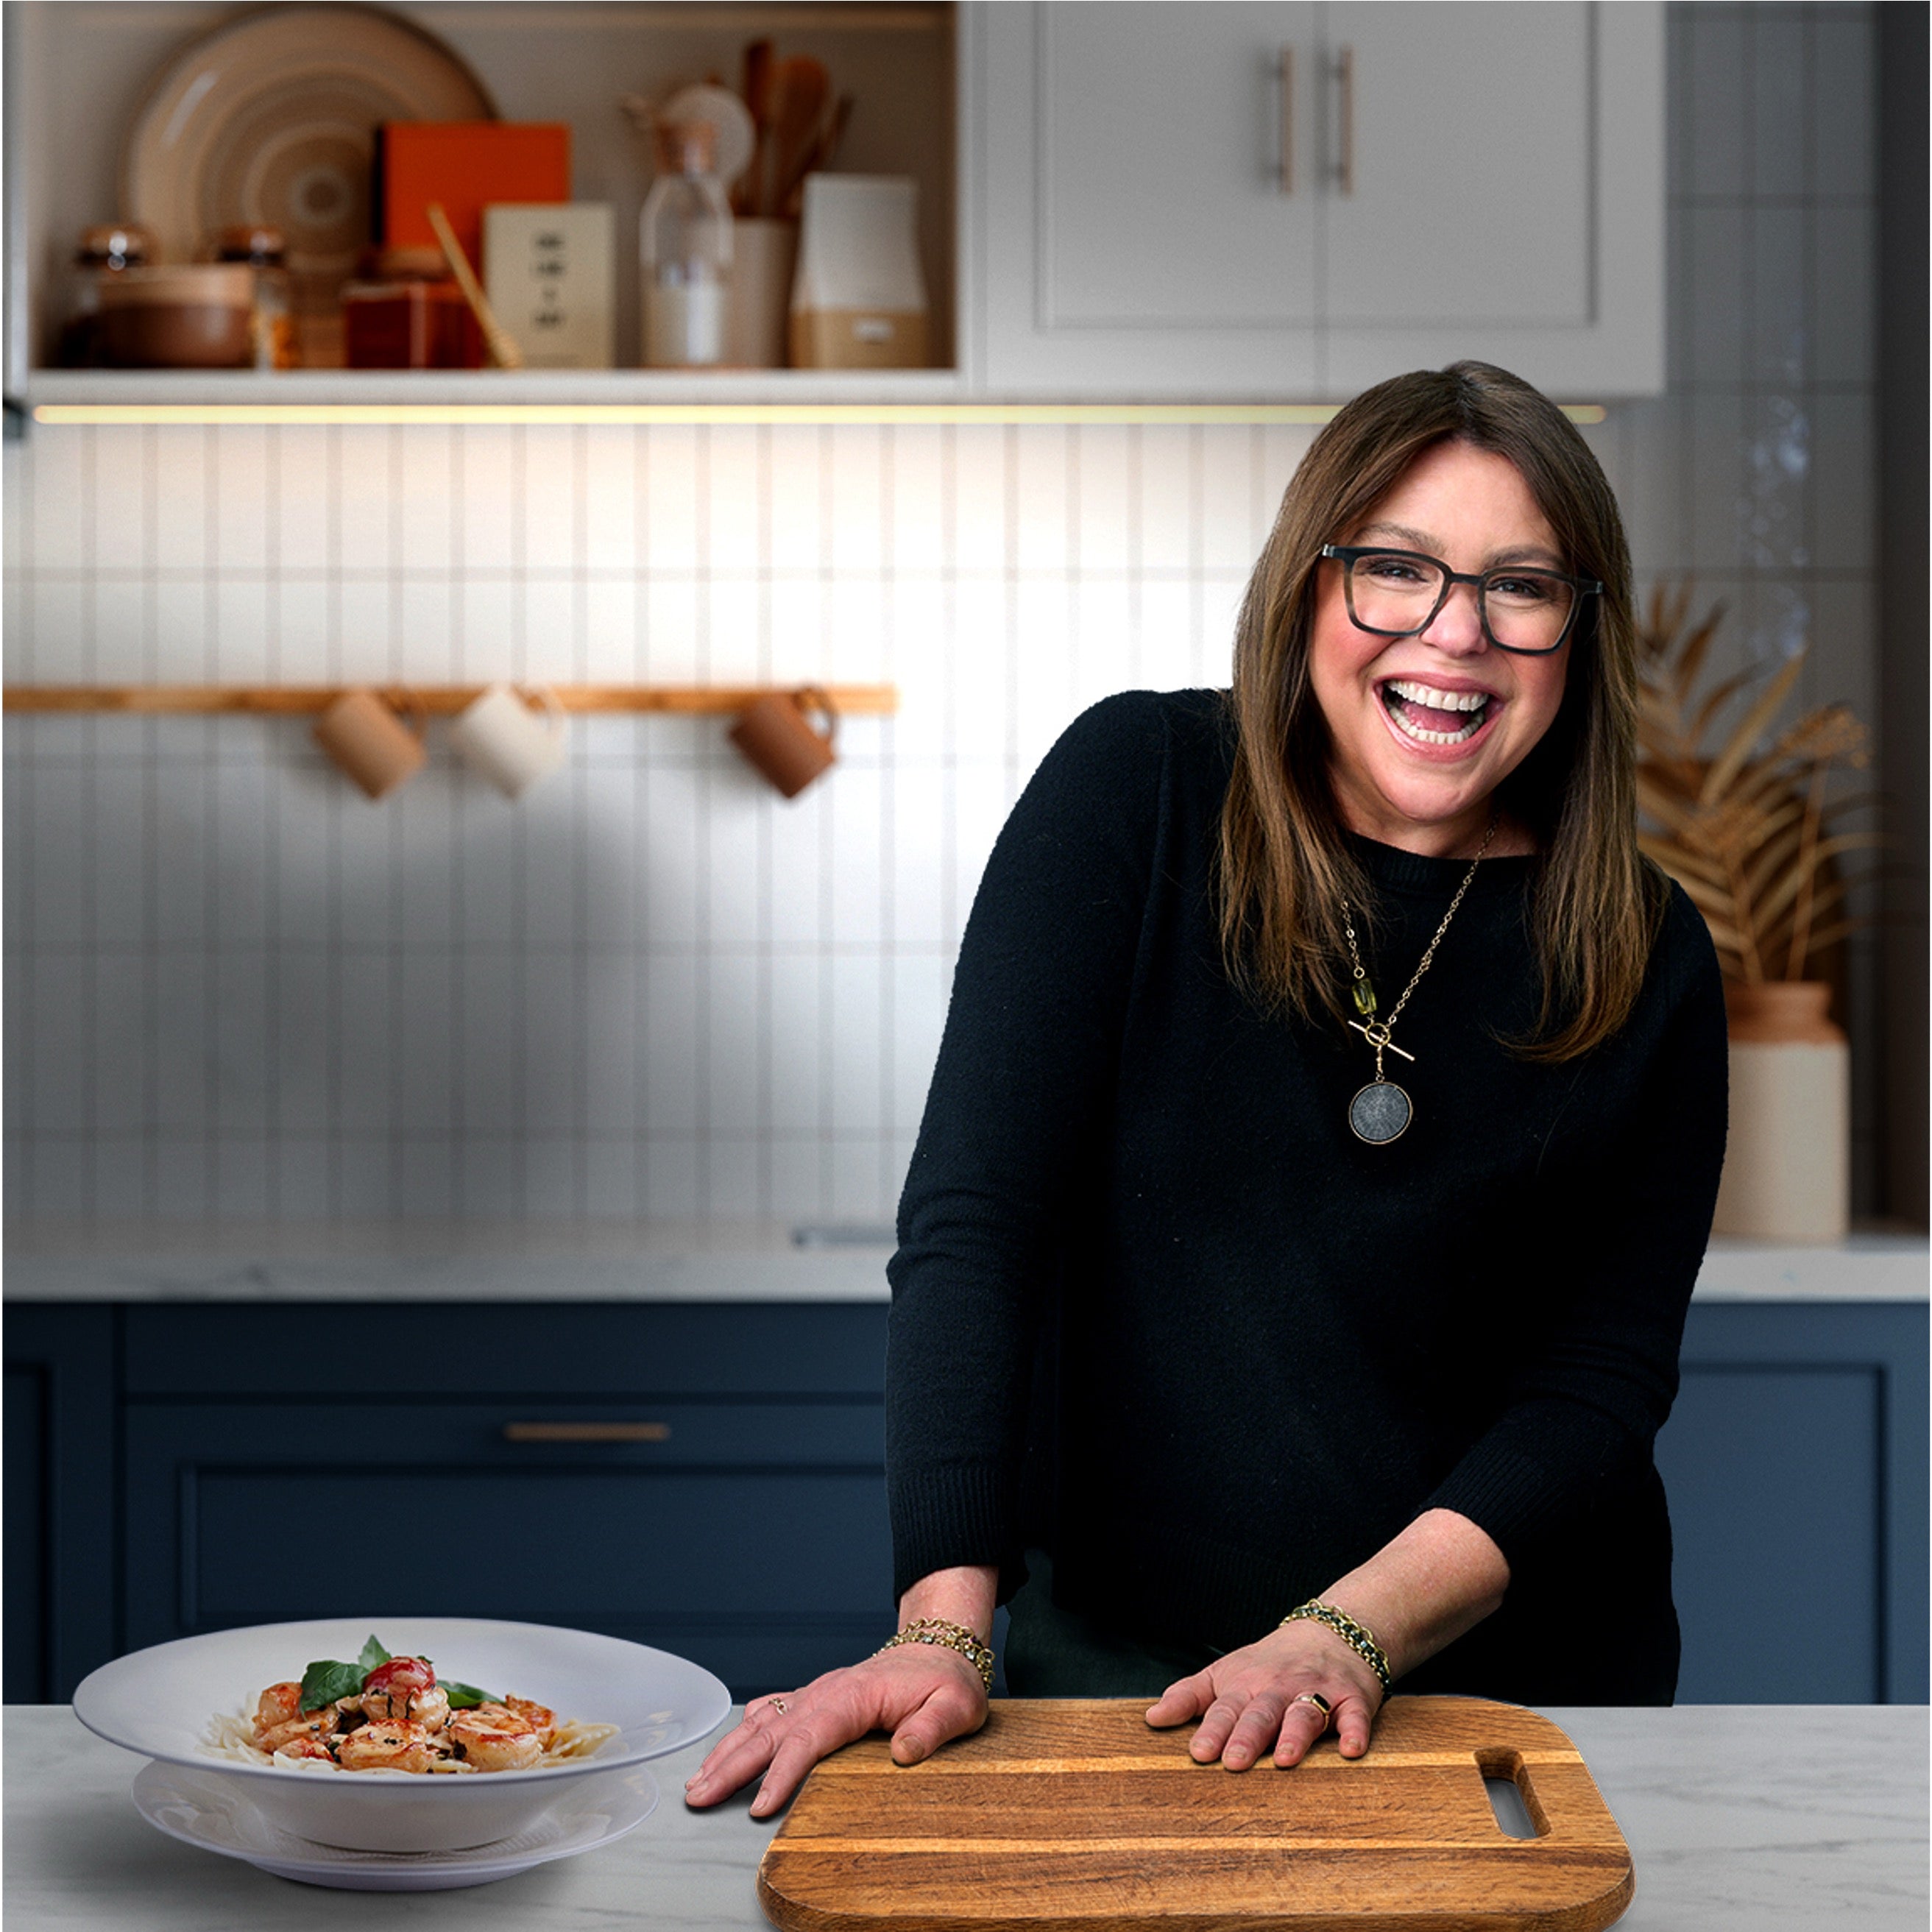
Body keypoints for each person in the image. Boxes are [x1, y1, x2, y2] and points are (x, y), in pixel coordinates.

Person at [684, 360, 1728, 1819]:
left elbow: (1594, 1382)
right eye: (1394, 570)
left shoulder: (1645, 947)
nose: (1453, 633)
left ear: (1578, 634)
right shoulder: (1142, 789)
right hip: (1124, 1679)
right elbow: (982, 1220)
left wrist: (1340, 1630)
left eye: (1520, 586)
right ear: (1306, 589)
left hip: (1510, 1696)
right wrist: (939, 1621)